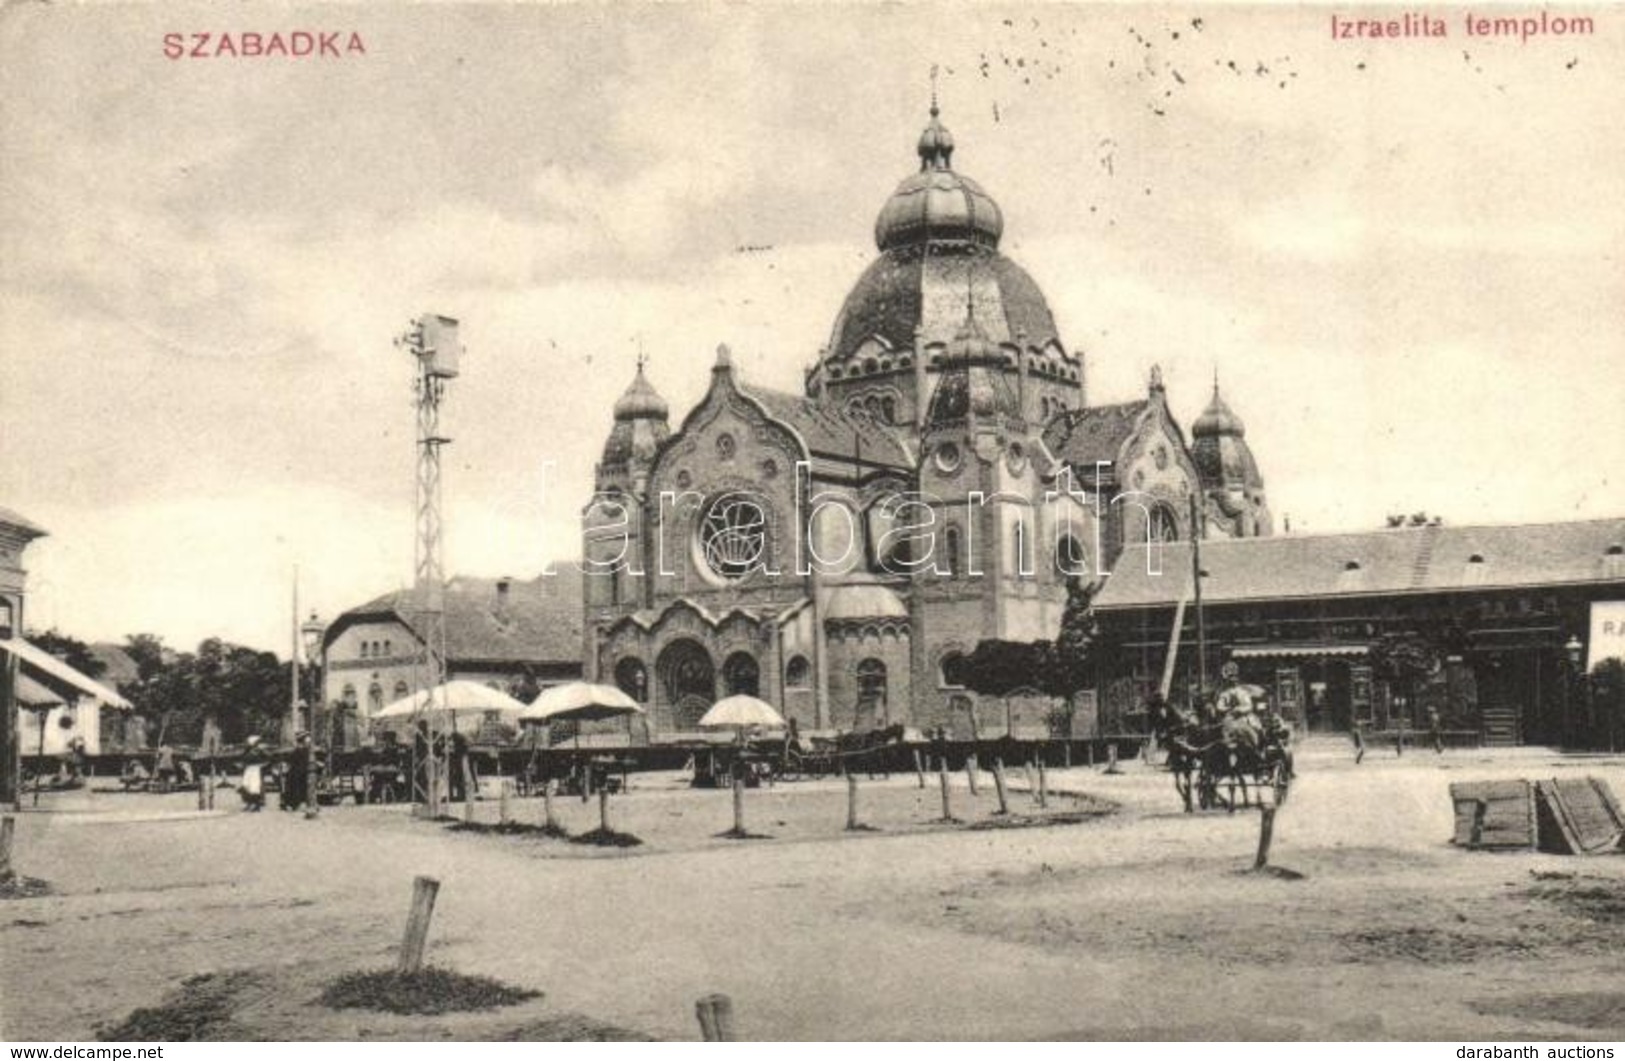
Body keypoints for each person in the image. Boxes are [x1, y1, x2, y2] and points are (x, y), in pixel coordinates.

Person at [281, 732, 311, 811]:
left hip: (299, 772)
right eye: (306, 739)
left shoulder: (301, 750)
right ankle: (295, 804)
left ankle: (294, 804)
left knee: (298, 788)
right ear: (303, 740)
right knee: (297, 788)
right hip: (297, 772)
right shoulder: (301, 750)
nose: (308, 741)